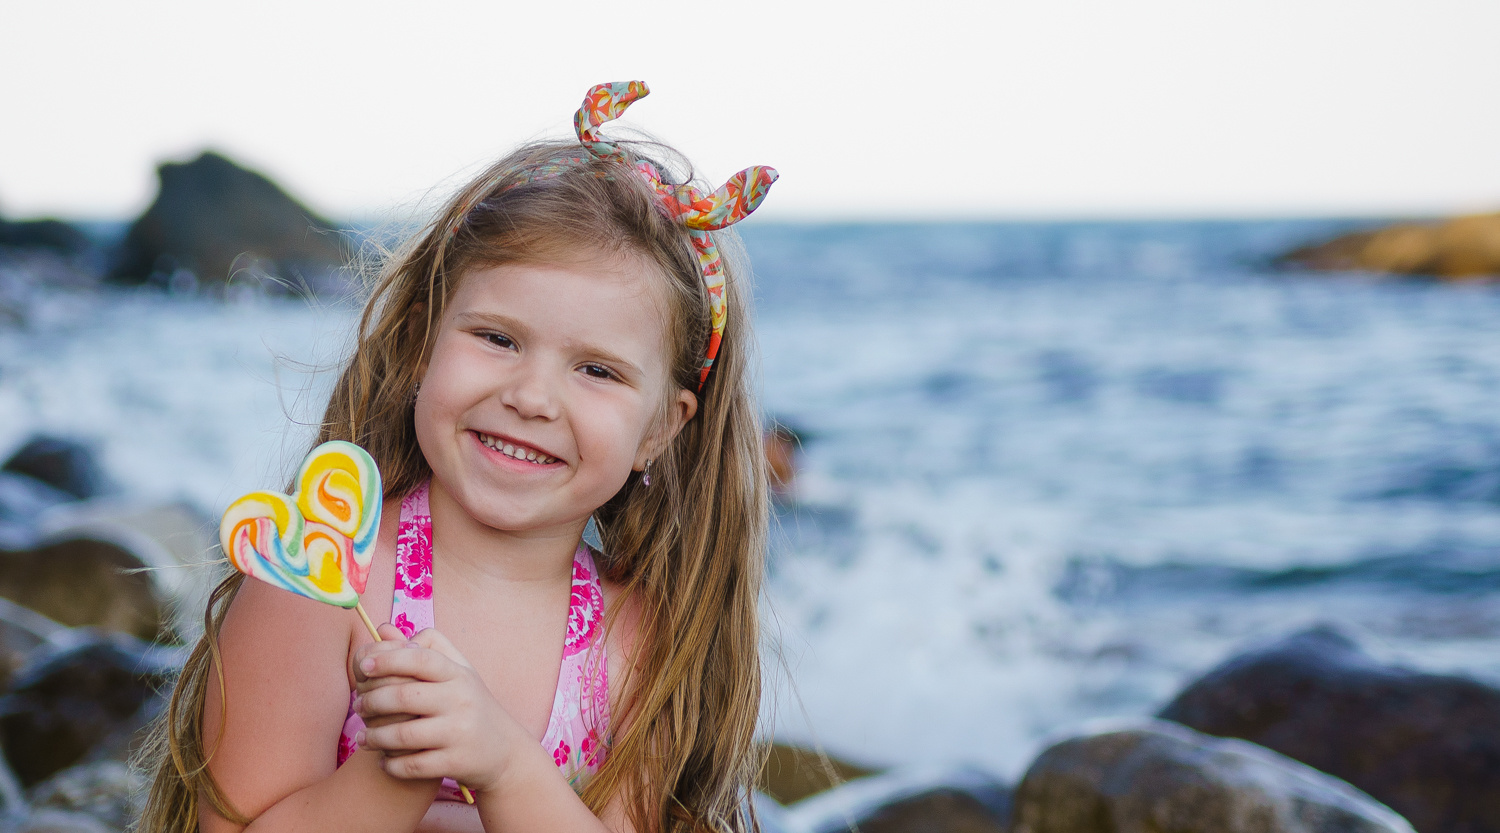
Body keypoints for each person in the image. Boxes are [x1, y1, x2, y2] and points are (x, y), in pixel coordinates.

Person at [137, 81, 777, 833]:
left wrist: (504, 765)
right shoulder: (320, 581)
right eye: (498, 338)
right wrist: (397, 767)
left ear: (660, 430)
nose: (532, 397)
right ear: (421, 343)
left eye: (597, 371)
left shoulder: (637, 639)